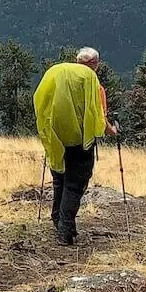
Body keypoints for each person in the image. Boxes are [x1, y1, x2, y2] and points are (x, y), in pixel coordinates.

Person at [33, 47, 119, 245]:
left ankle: (57, 218)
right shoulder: (91, 80)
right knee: (75, 183)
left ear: (77, 60)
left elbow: (41, 100)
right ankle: (65, 229)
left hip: (55, 137)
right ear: (95, 64)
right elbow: (98, 114)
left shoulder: (55, 73)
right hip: (80, 140)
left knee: (59, 179)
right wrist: (112, 131)